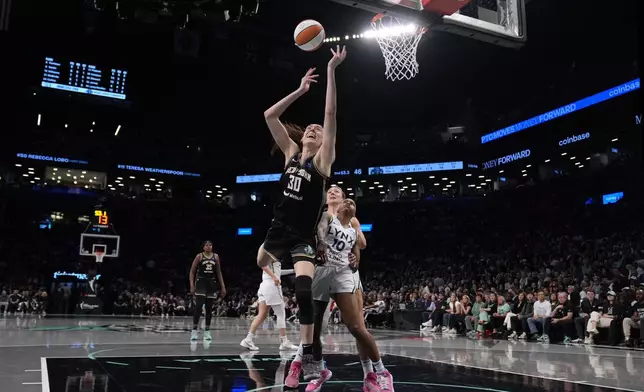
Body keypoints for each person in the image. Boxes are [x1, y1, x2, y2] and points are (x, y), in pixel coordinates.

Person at [256, 46, 347, 388]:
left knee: (305, 291)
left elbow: (331, 113)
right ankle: (277, 263)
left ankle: (307, 354)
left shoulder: (322, 163)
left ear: (324, 141)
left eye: (316, 128)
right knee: (260, 259)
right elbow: (269, 116)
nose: (312, 128)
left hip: (301, 237)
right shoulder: (291, 153)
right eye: (308, 126)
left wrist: (332, 70)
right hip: (276, 230)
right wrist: (300, 90)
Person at [288, 195, 394, 391]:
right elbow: (318, 229)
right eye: (332, 191)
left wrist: (356, 259)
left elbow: (360, 246)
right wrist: (320, 240)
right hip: (323, 270)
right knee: (315, 327)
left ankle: (377, 373)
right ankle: (313, 369)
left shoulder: (353, 223)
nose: (336, 194)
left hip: (346, 274)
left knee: (357, 326)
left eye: (341, 193)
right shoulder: (325, 216)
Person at [240, 261, 299, 351]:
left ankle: (248, 339)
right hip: (272, 286)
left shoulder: (272, 256)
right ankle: (284, 342)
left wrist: (293, 270)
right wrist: (274, 277)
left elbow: (278, 271)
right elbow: (262, 264)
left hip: (264, 286)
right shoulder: (271, 252)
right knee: (281, 314)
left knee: (262, 315)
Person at [189, 240, 226, 341]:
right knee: (198, 307)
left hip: (211, 283)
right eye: (206, 245)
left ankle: (207, 331)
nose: (209, 246)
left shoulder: (216, 257)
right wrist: (192, 285)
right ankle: (194, 331)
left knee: (209, 309)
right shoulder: (199, 256)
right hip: (201, 282)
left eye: (210, 245)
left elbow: (219, 272)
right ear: (203, 247)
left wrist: (223, 286)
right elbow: (192, 272)